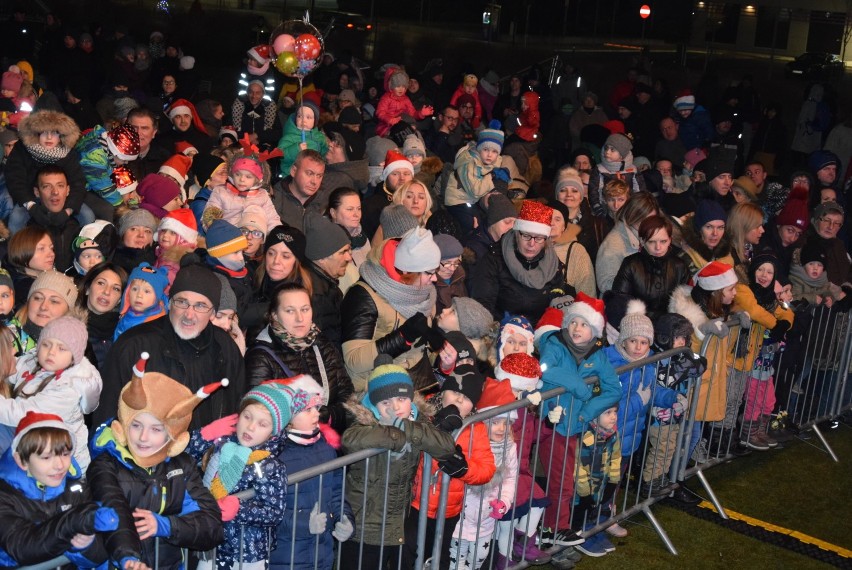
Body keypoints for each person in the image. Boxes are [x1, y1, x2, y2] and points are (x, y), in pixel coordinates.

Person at [87, 353, 225, 569]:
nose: (143, 437)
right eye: (136, 425)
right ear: (121, 426)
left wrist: (168, 526)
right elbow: (114, 508)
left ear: (173, 436)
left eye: (156, 429)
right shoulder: (105, 465)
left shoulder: (181, 466)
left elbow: (211, 525)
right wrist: (128, 558)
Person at [94, 263, 246, 430]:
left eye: (201, 306)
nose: (189, 314)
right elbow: (106, 421)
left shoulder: (225, 348)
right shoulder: (133, 345)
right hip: (144, 454)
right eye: (182, 302)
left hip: (210, 453)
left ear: (212, 313)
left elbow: (237, 408)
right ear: (169, 303)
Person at [341, 361, 457, 569]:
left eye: (402, 399)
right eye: (385, 402)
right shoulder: (364, 424)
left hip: (398, 521)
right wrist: (397, 435)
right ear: (372, 404)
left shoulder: (417, 421)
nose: (395, 407)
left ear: (411, 399)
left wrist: (407, 428)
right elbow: (351, 440)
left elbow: (446, 447)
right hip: (363, 526)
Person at [535, 293, 620, 548]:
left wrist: (587, 412)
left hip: (575, 425)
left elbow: (613, 389)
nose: (576, 328)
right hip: (550, 425)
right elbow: (545, 368)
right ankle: (554, 528)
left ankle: (555, 527)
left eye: (584, 324)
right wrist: (580, 387)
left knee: (566, 479)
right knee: (559, 479)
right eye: (573, 322)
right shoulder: (555, 343)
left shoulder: (597, 354)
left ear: (594, 329)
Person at [404, 354, 494, 570]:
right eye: (455, 392)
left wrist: (465, 468)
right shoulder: (423, 414)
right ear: (443, 393)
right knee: (409, 552)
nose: (459, 400)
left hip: (448, 509)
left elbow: (487, 468)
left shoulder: (475, 428)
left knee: (439, 555)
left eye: (466, 397)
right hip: (415, 503)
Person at [186, 382, 289, 570]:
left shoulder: (271, 465)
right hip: (213, 545)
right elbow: (181, 456)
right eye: (247, 416)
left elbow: (274, 511)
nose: (250, 427)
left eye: (262, 424)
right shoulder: (221, 446)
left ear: (273, 433)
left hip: (248, 553)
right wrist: (204, 435)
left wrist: (239, 508)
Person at [0, 411, 115, 569]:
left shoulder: (75, 490)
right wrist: (74, 522)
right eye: (46, 457)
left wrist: (86, 546)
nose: (60, 465)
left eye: (65, 454)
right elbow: (22, 547)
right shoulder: (5, 495)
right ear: (21, 460)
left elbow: (104, 550)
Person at [340, 227, 444, 391]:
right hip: (378, 389)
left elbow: (418, 351)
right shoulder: (363, 295)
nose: (435, 278)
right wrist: (403, 337)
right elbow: (354, 361)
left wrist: (441, 360)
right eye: (430, 272)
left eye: (435, 271)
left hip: (417, 380)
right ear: (408, 271)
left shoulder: (424, 291)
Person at [268, 377, 355, 570]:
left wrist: (345, 518)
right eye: (308, 409)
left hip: (322, 556)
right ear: (287, 419)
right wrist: (304, 523)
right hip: (285, 558)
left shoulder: (326, 448)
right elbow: (267, 512)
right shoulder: (273, 456)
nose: (316, 413)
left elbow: (336, 492)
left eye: (316, 408)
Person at [246, 282, 354, 431]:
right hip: (288, 448)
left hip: (329, 438)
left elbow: (347, 393)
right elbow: (259, 414)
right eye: (290, 311)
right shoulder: (261, 356)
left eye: (305, 309)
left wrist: (327, 416)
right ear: (275, 315)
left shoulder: (322, 343)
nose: (300, 318)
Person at [0, 316, 101, 471]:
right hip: (38, 450)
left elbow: (22, 414)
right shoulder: (33, 362)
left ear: (74, 357)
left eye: (62, 348)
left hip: (66, 465)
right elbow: (9, 370)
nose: (51, 353)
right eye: (46, 345)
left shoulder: (68, 389)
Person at [449, 378, 521, 570]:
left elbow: (510, 478)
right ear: (483, 422)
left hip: (486, 518)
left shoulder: (509, 448)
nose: (501, 428)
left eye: (506, 423)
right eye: (495, 422)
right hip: (461, 518)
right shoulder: (472, 443)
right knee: (456, 558)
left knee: (480, 556)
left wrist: (504, 502)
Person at [669, 261, 737, 460]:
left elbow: (723, 348)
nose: (735, 294)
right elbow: (684, 352)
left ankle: (677, 475)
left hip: (704, 385)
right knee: (686, 436)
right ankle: (673, 476)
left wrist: (735, 322)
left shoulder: (716, 311)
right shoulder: (688, 315)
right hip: (690, 388)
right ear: (716, 291)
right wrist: (701, 331)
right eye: (731, 289)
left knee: (693, 435)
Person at [732, 251, 794, 450]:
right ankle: (748, 433)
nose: (764, 275)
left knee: (769, 399)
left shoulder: (771, 297)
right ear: (753, 271)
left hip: (766, 362)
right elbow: (755, 311)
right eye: (760, 269)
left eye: (770, 271)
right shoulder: (745, 290)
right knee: (753, 397)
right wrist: (777, 325)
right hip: (751, 358)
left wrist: (784, 323)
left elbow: (787, 312)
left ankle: (760, 430)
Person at [642, 313, 706, 502]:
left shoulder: (682, 357)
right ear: (665, 338)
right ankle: (651, 480)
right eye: (677, 337)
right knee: (661, 448)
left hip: (676, 414)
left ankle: (660, 479)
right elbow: (658, 386)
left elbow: (701, 364)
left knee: (670, 447)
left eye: (683, 338)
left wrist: (685, 361)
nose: (681, 342)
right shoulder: (656, 360)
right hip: (660, 417)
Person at [469, 201, 567, 324]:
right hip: (503, 328)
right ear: (516, 234)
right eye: (526, 236)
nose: (531, 244)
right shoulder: (494, 259)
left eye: (539, 238)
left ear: (546, 240)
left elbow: (557, 303)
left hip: (540, 330)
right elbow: (483, 305)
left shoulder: (553, 264)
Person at [4, 109, 91, 234]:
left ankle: (85, 252)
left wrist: (68, 210)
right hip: (30, 195)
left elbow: (78, 182)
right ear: (36, 133)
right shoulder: (22, 149)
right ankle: (19, 252)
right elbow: (15, 178)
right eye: (44, 132)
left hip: (61, 196)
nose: (49, 137)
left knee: (87, 216)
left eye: (55, 132)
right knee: (15, 221)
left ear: (61, 135)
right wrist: (31, 206)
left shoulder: (68, 153)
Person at [609, 215, 689, 322]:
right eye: (652, 242)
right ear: (642, 241)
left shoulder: (680, 266)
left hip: (671, 328)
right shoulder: (631, 264)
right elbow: (619, 303)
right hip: (637, 327)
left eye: (663, 241)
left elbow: (687, 306)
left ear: (670, 240)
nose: (658, 247)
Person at [444, 126, 523, 233]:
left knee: (482, 220)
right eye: (486, 149)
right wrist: (492, 176)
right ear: (479, 148)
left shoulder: (491, 160)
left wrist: (505, 180)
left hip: (470, 199)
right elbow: (476, 191)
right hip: (457, 200)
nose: (490, 155)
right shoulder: (469, 163)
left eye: (494, 151)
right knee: (472, 224)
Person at [572, 406, 621, 558]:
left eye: (615, 412)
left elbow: (616, 457)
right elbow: (578, 466)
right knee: (578, 512)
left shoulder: (612, 433)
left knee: (594, 509)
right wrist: (584, 492)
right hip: (581, 489)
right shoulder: (584, 436)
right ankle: (579, 537)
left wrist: (613, 481)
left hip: (600, 483)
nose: (613, 417)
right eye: (608, 413)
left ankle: (591, 530)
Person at [203, 145, 282, 233]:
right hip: (228, 237)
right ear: (232, 174)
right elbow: (209, 217)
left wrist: (277, 234)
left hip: (254, 238)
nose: (242, 179)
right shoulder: (221, 191)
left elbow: (272, 219)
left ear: (257, 179)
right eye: (237, 174)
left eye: (248, 177)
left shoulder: (262, 195)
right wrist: (215, 229)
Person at [595, 192, 660, 293]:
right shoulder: (613, 244)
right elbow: (605, 284)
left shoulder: (648, 235)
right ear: (631, 214)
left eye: (651, 219)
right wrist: (640, 284)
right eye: (642, 218)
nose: (648, 223)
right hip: (624, 304)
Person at [7, 270, 79, 356]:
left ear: (68, 311)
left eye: (54, 301)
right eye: (38, 298)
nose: (43, 306)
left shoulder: (76, 344)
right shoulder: (6, 338)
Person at [27, 165, 81, 272]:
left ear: (68, 190)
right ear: (37, 192)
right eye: (47, 186)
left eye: (60, 186)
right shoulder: (29, 231)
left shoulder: (79, 227)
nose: (55, 192)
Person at [77, 261, 127, 368]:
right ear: (87, 289)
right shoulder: (68, 326)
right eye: (101, 283)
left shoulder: (122, 332)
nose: (107, 292)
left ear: (119, 300)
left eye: (116, 288)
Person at [587, 133, 645, 216]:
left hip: (629, 211)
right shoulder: (600, 169)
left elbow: (640, 191)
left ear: (622, 154)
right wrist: (598, 206)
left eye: (612, 150)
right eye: (606, 148)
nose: (607, 152)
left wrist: (638, 207)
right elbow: (594, 190)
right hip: (606, 211)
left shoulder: (633, 170)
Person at [547, 200, 596, 298]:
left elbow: (588, 295)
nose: (552, 223)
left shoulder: (577, 251)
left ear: (564, 226)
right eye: (548, 218)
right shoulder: (531, 247)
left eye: (557, 219)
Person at [271, 149, 328, 232]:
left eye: (319, 176)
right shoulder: (273, 201)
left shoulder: (325, 202)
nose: (314, 181)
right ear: (293, 171)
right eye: (309, 173)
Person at [676, 199, 734, 275]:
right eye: (709, 227)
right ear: (698, 228)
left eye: (720, 227)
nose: (715, 233)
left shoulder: (726, 253)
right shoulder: (686, 257)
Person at [113, 262, 169, 340]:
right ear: (128, 292)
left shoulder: (156, 325)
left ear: (157, 297)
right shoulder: (127, 312)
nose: (139, 295)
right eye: (135, 289)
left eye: (146, 291)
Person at [375, 67, 433, 137]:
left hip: (401, 126)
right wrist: (389, 119)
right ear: (391, 86)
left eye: (403, 86)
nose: (401, 89)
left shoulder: (405, 99)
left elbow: (412, 113)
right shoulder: (386, 98)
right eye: (398, 86)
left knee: (413, 131)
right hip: (386, 127)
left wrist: (421, 113)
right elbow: (380, 112)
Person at [5, 226, 56, 306]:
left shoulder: (55, 276)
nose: (51, 254)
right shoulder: (22, 292)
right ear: (22, 253)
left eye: (51, 248)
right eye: (41, 249)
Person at [277, 103, 329, 176]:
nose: (303, 120)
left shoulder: (319, 137)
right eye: (299, 116)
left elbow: (324, 155)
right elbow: (279, 154)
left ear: (315, 120)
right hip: (291, 176)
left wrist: (326, 146)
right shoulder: (289, 137)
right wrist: (296, 149)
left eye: (308, 117)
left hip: (312, 174)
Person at [154, 208, 199, 289]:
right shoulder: (163, 253)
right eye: (163, 230)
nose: (165, 235)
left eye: (173, 233)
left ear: (183, 239)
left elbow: (166, 288)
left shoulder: (175, 261)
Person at [232, 79, 282, 149]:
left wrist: (257, 136)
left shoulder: (270, 110)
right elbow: (232, 129)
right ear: (247, 92)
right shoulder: (239, 108)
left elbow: (277, 133)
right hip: (242, 148)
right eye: (251, 92)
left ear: (263, 94)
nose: (254, 96)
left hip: (263, 149)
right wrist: (246, 139)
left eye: (258, 93)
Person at [726, 201, 765, 282]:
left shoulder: (751, 248)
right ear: (743, 227)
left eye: (762, 225)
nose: (762, 230)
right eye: (757, 226)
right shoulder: (727, 255)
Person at [113, 208, 158, 274]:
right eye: (134, 229)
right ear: (123, 234)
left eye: (147, 231)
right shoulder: (110, 262)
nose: (141, 235)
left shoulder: (161, 264)